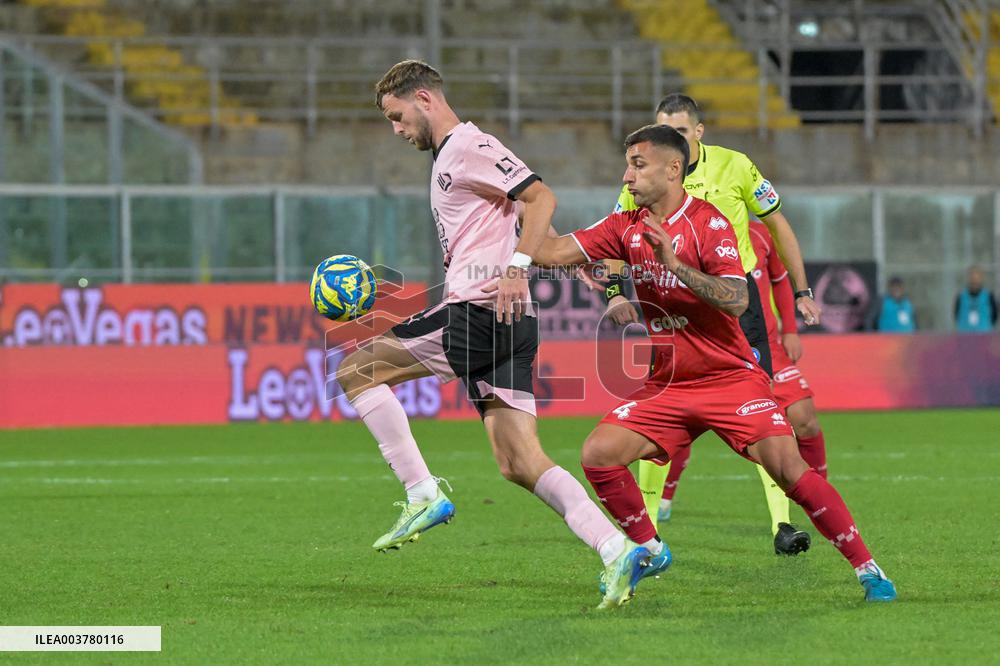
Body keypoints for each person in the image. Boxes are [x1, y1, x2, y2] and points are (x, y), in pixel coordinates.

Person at [534, 124, 896, 602]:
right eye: (627, 166)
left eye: (637, 165)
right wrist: (525, 203)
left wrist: (677, 265)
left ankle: (870, 571)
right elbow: (549, 252)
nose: (627, 176)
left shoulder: (709, 222)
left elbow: (735, 298)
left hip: (729, 379)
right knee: (598, 455)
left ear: (672, 168)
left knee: (789, 469)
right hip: (667, 384)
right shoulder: (624, 225)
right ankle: (649, 547)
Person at [336, 59, 650, 610]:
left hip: (477, 310)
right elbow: (530, 216)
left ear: (424, 99)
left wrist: (515, 267)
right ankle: (617, 548)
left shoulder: (466, 146)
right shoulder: (456, 156)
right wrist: (580, 271)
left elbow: (541, 198)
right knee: (520, 462)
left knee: (356, 368)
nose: (396, 129)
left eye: (397, 115)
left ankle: (421, 492)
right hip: (514, 323)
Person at [597, 94, 818, 554]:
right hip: (672, 308)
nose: (668, 140)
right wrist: (616, 292)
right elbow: (616, 239)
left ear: (698, 132)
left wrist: (801, 290)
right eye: (662, 129)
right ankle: (650, 526)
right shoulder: (643, 178)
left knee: (764, 409)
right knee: (661, 411)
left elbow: (778, 224)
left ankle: (782, 524)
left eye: (678, 131)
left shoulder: (736, 166)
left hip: (734, 306)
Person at [653, 220, 832, 523]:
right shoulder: (692, 229)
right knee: (680, 426)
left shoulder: (761, 233)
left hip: (765, 343)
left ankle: (820, 500)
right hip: (712, 345)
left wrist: (790, 330)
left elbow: (778, 280)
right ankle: (662, 500)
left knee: (805, 419)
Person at [955, 266, 997, 332]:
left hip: (984, 336)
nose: (974, 280)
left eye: (977, 277)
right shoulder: (961, 296)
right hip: (964, 336)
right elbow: (956, 315)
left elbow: (994, 316)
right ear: (968, 278)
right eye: (972, 277)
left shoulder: (989, 296)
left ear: (981, 278)